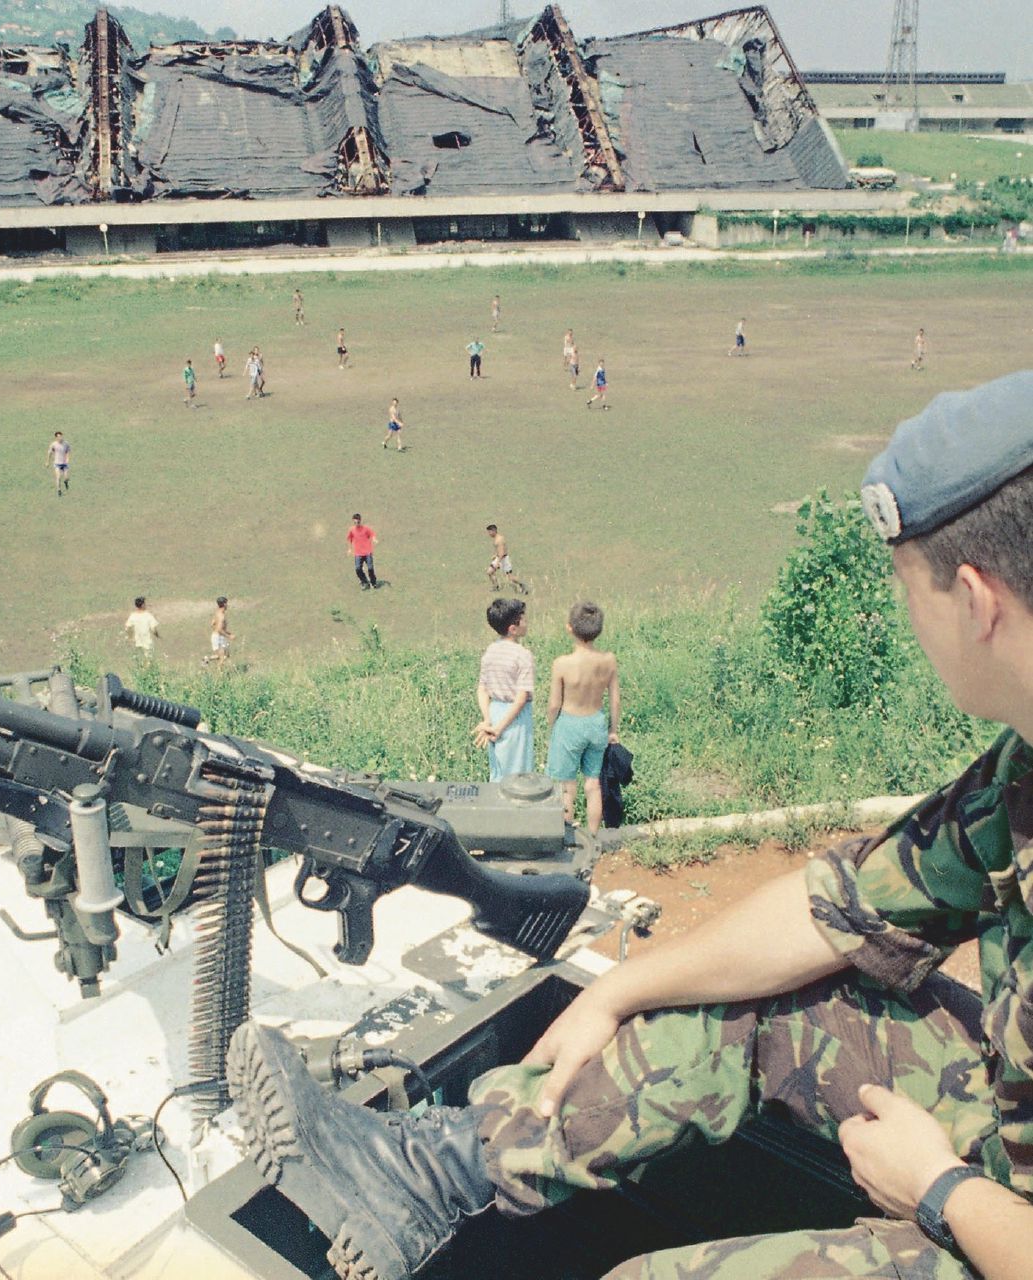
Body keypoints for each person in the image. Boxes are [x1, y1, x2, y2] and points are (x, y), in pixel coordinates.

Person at [226, 370, 1033, 1280]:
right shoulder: (1023, 771)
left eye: (908, 591)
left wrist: (941, 1191)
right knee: (740, 995)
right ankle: (427, 1172)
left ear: (973, 601)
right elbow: (833, 910)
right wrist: (614, 992)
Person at [546, 601, 620, 835]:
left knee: (566, 785)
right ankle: (594, 835)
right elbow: (615, 700)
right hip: (596, 722)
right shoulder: (609, 660)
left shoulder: (561, 664)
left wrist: (551, 725)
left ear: (570, 628)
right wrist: (613, 729)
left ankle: (566, 833)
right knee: (593, 783)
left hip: (569, 723)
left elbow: (554, 703)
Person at [473, 597, 534, 781]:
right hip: (515, 717)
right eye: (523, 618)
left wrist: (488, 720)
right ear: (513, 628)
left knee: (498, 771)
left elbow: (482, 689)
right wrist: (499, 728)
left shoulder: (490, 651)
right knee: (518, 773)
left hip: (495, 711)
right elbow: (521, 697)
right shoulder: (523, 655)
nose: (526, 622)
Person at [485, 524, 527, 595]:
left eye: (490, 532)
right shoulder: (497, 538)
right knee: (489, 572)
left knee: (510, 577)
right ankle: (496, 587)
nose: (489, 534)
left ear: (494, 531)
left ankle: (522, 585)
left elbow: (502, 552)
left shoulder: (499, 540)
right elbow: (500, 550)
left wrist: (497, 562)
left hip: (504, 560)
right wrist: (495, 555)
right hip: (499, 558)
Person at [346, 513, 379, 590]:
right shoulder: (352, 530)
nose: (356, 524)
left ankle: (373, 583)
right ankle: (364, 582)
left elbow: (372, 534)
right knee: (358, 569)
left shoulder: (366, 529)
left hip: (367, 552)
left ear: (360, 521)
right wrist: (349, 549)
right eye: (354, 522)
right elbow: (349, 539)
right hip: (358, 553)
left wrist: (374, 539)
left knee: (370, 568)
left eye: (357, 522)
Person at [203, 596, 233, 664]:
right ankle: (220, 674)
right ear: (225, 604)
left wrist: (225, 632)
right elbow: (219, 629)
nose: (227, 605)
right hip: (218, 638)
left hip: (219, 636)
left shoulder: (217, 612)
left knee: (225, 655)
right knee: (222, 658)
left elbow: (212, 624)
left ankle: (206, 659)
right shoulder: (221, 616)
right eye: (227, 603)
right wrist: (229, 636)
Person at [46, 431, 70, 495]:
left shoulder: (66, 444)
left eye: (61, 436)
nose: (60, 438)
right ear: (56, 437)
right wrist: (47, 462)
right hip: (57, 464)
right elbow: (49, 453)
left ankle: (66, 482)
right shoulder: (53, 444)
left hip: (64, 463)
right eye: (58, 437)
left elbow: (68, 451)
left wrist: (67, 458)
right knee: (58, 477)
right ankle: (59, 490)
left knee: (66, 477)